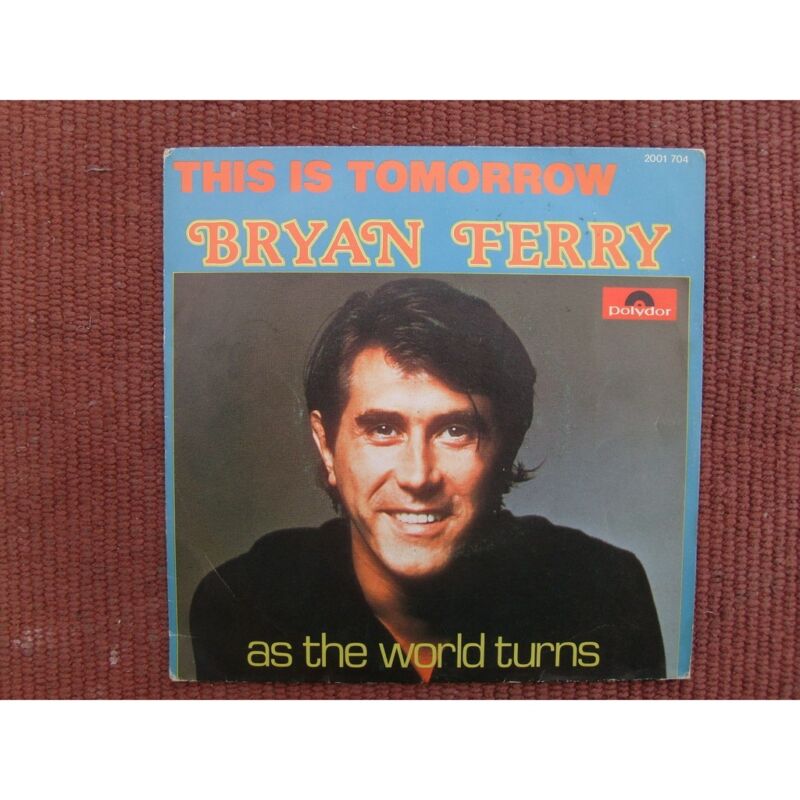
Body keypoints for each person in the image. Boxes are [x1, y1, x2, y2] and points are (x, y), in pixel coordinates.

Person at [190, 278, 666, 682]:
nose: (417, 476)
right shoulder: (246, 604)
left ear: (508, 448)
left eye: (455, 431)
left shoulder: (602, 593)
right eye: (382, 429)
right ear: (326, 445)